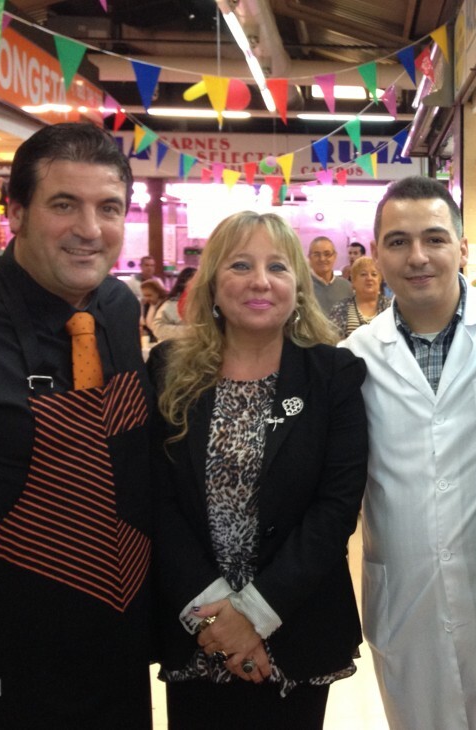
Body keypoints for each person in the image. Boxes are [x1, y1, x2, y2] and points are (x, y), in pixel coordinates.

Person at [0, 122, 153, 727]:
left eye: (109, 208)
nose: (89, 229)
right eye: (63, 205)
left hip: (117, 652)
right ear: (17, 212)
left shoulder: (118, 307)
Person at [342, 176, 476, 730]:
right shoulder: (353, 360)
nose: (417, 256)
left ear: (462, 249)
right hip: (408, 602)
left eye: (435, 239)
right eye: (398, 241)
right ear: (377, 254)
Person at [148, 211, 366, 729]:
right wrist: (216, 617)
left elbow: (335, 509)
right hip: (197, 626)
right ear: (213, 285)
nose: (260, 281)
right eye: (241, 265)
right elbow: (154, 499)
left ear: (298, 285)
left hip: (295, 624)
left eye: (278, 267)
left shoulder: (332, 375)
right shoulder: (166, 371)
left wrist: (254, 618)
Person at [329, 255, 391, 338]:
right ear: (353, 281)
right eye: (363, 274)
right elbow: (332, 341)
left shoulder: (391, 307)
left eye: (374, 274)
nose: (369, 278)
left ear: (379, 280)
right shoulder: (339, 308)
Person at [308, 236, 352, 315]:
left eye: (327, 254)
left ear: (335, 256)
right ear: (309, 257)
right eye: (316, 254)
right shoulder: (302, 287)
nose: (322, 259)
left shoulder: (346, 287)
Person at [152, 265, 197, 342]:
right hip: (176, 349)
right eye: (196, 280)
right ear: (185, 283)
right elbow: (158, 328)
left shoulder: (206, 303)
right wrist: (190, 331)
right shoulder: (171, 304)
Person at [140, 276, 169, 344]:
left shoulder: (166, 306)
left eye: (149, 295)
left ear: (158, 292)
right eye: (144, 295)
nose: (146, 298)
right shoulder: (147, 305)